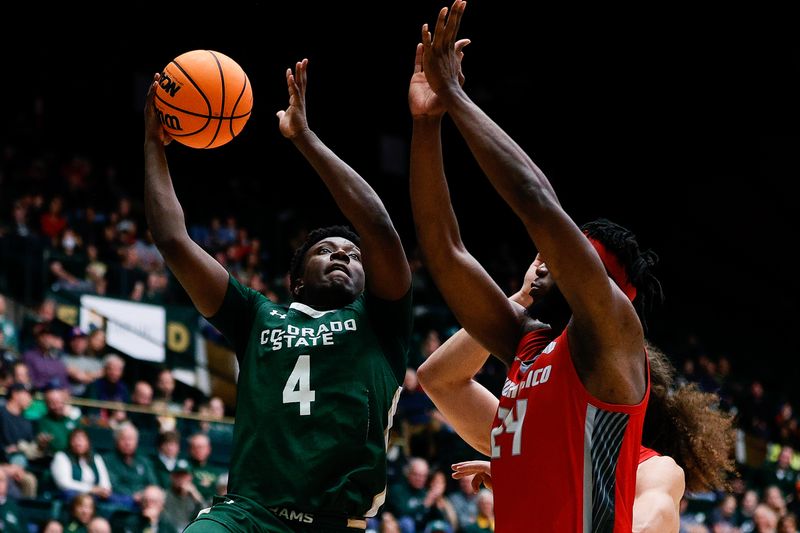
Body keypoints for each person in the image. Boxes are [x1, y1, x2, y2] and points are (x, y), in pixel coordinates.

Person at [409, 4, 665, 529]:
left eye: (575, 251)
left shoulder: (614, 339)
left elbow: (536, 202)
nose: (547, 256)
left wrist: (457, 98)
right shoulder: (526, 344)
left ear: (610, 285)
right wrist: (428, 124)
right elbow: (446, 251)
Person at [143, 52, 412, 531]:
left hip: (334, 522)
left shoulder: (382, 324)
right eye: (326, 250)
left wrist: (305, 139)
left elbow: (378, 227)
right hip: (247, 514)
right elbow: (173, 242)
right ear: (297, 279)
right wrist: (153, 143)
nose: (343, 255)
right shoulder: (256, 315)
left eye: (353, 254)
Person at [421, 257, 735, 532]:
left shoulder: (654, 468)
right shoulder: (535, 436)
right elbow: (438, 378)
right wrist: (519, 300)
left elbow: (650, 522)